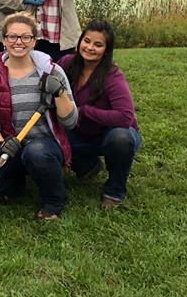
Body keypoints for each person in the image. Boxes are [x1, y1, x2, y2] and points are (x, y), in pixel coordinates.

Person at [0, 13, 78, 220]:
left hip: (42, 144)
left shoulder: (52, 72)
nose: (18, 42)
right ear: (3, 40)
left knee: (36, 153)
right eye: (12, 37)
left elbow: (71, 121)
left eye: (25, 37)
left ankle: (54, 200)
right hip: (9, 142)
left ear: (34, 41)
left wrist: (59, 93)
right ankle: (17, 181)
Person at [59, 19, 141, 209]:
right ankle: (87, 166)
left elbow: (125, 117)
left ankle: (114, 190)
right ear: (79, 41)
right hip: (79, 133)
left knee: (120, 137)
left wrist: (86, 112)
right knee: (51, 133)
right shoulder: (67, 63)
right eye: (86, 41)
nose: (90, 47)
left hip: (111, 134)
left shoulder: (112, 75)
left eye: (98, 44)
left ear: (106, 50)